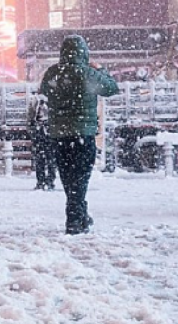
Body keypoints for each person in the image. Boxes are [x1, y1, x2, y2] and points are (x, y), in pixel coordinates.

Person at [39, 35, 119, 235]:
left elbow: (45, 90)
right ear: (84, 52)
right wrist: (100, 69)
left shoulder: (53, 73)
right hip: (84, 134)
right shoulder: (89, 74)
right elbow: (112, 88)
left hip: (59, 134)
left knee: (67, 177)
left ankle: (79, 215)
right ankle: (75, 219)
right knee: (80, 178)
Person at [28, 94, 56, 190]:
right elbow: (31, 117)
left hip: (45, 133)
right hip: (43, 133)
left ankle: (45, 181)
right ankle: (45, 181)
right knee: (46, 159)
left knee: (46, 159)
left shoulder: (37, 101)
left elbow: (30, 117)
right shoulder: (37, 100)